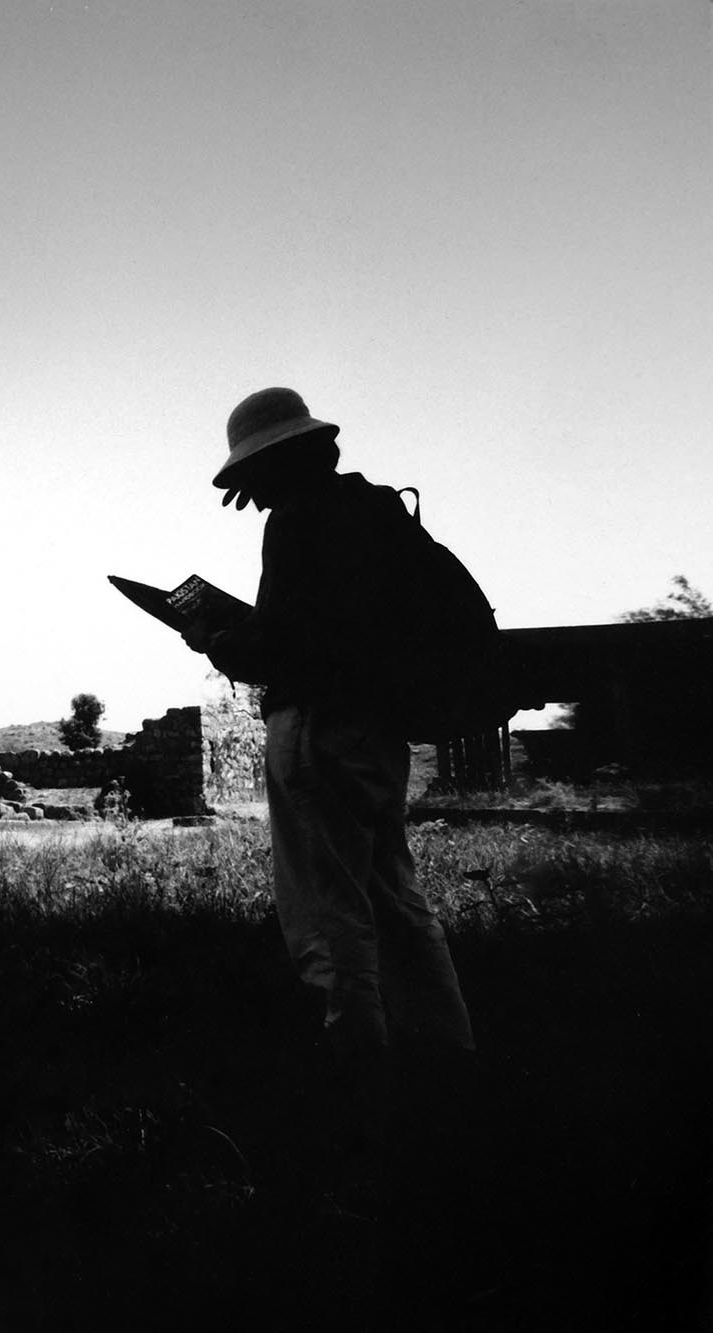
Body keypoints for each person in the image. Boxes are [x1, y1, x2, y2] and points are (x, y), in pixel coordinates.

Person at [182, 387, 474, 1060]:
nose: (248, 496)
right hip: (378, 729)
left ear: (278, 461)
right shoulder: (375, 508)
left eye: (251, 476)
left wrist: (215, 639)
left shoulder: (296, 520)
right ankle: (447, 1052)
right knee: (394, 895)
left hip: (317, 728)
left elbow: (283, 647)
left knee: (327, 905)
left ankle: (356, 1062)